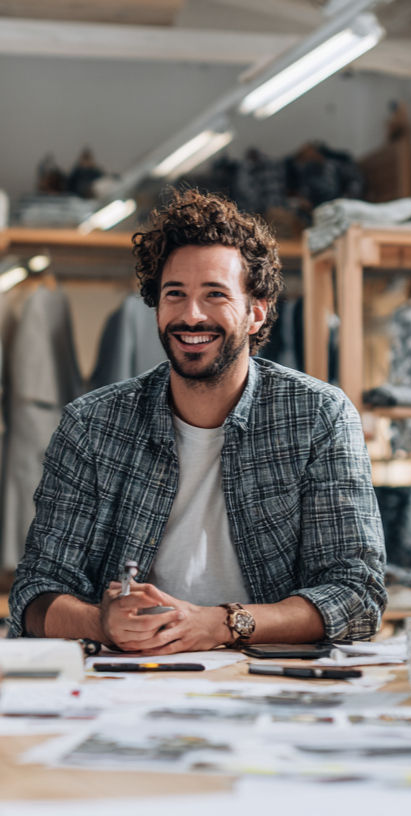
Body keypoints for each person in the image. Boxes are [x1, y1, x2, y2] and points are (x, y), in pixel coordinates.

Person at [8, 188, 386, 653]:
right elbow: (33, 595)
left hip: (267, 682)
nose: (191, 315)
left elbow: (357, 593)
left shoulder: (318, 416)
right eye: (175, 294)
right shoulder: (92, 424)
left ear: (256, 313)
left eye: (215, 295)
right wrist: (101, 622)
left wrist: (222, 623)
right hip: (130, 681)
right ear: (157, 305)